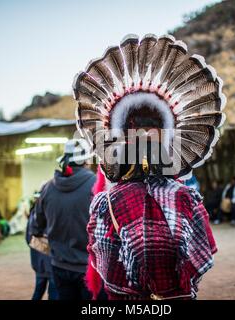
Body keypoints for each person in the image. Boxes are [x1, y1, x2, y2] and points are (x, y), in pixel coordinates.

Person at [75, 34, 223, 300]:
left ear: (120, 145)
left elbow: (108, 271)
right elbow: (203, 256)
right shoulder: (186, 197)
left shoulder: (107, 202)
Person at [31, 139, 96, 300]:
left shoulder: (47, 188)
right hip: (89, 268)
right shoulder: (96, 186)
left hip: (59, 266)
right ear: (87, 161)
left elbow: (36, 228)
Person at [26, 193, 58, 300]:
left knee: (38, 292)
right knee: (53, 294)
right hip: (51, 262)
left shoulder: (33, 214)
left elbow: (28, 238)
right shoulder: (51, 214)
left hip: (39, 262)